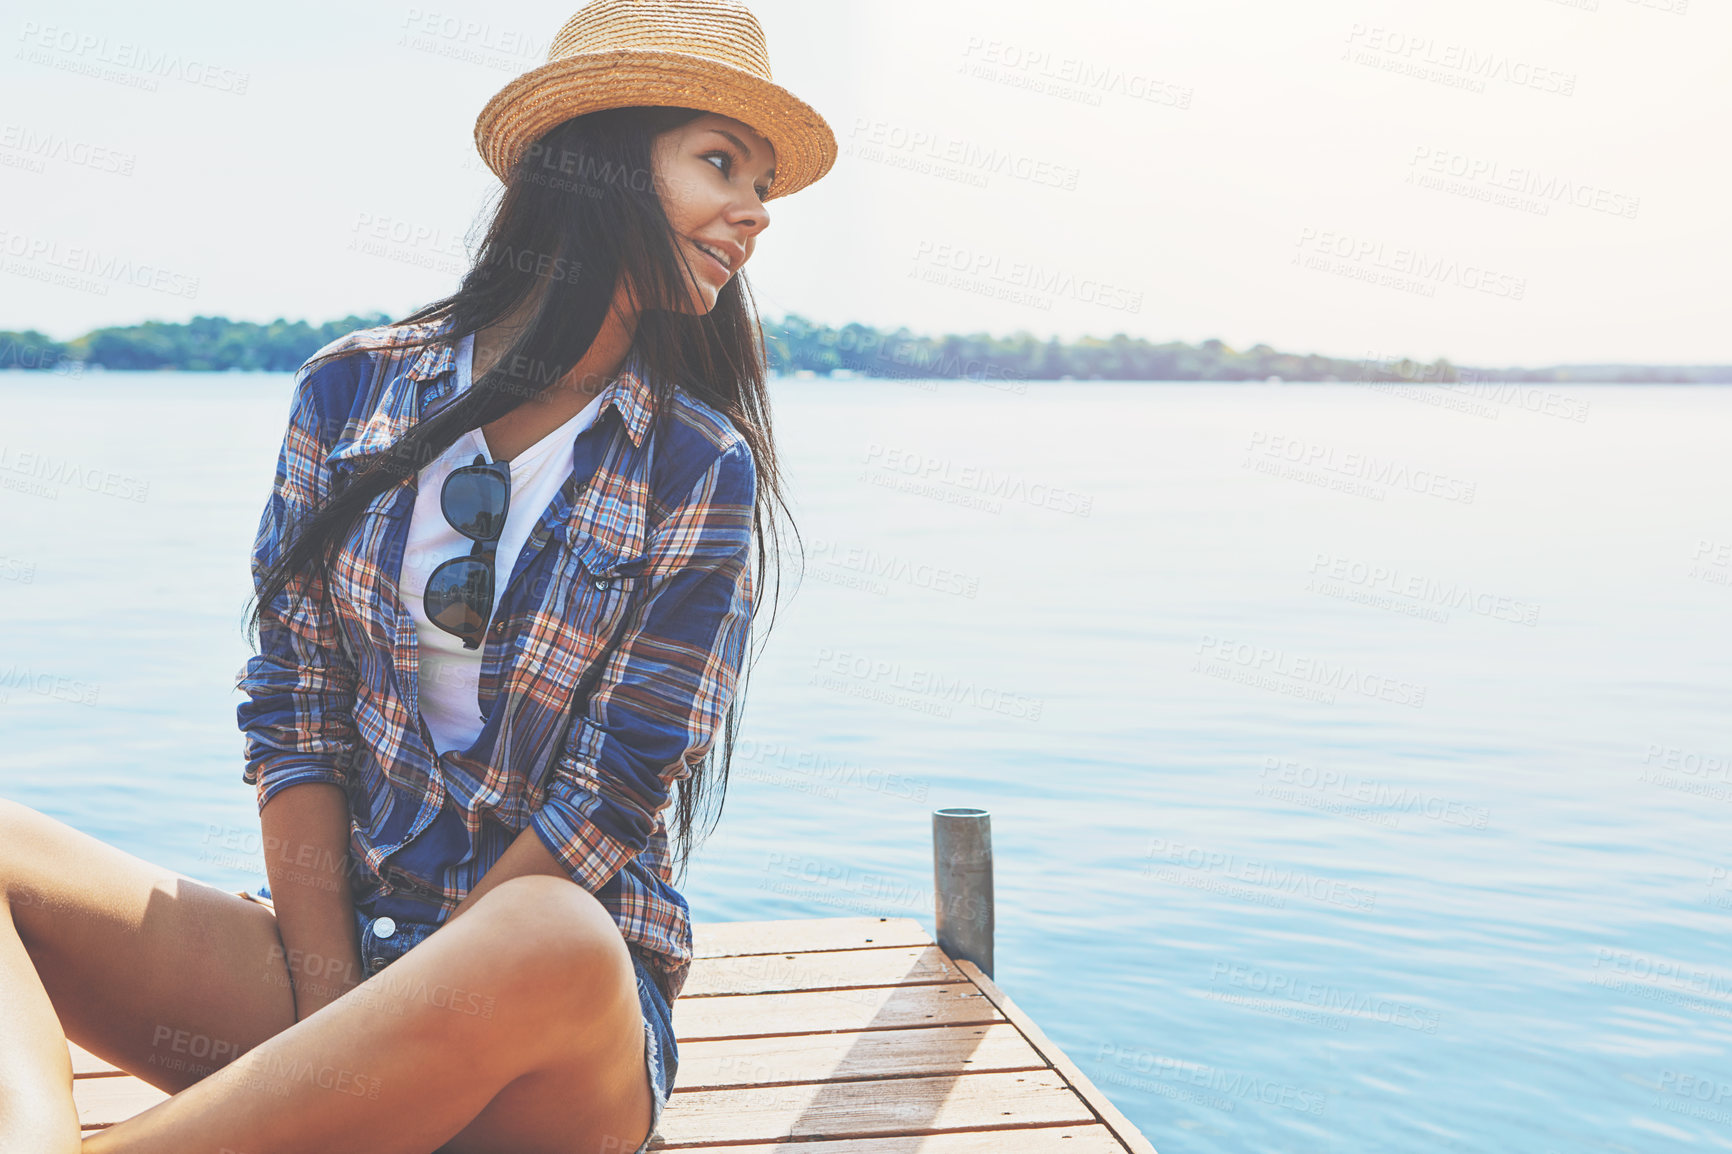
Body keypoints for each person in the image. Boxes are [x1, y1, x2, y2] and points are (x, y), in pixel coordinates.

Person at [0, 2, 836, 1151]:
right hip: (331, 963)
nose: (754, 213)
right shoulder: (350, 391)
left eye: (763, 184)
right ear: (600, 161)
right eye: (719, 162)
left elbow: (615, 793)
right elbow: (295, 705)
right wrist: (334, 1007)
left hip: (550, 1028)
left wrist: (395, 1018)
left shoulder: (699, 466)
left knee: (553, 927)